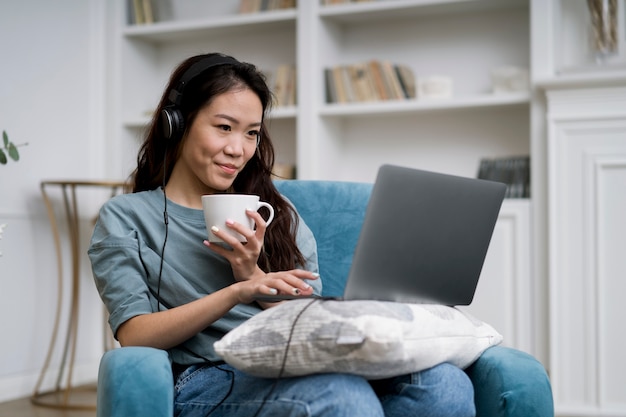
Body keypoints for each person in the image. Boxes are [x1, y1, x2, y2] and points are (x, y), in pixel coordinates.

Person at [88, 52, 476, 417]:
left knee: (446, 384)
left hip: (296, 358)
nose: (238, 149)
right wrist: (235, 293)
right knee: (341, 395)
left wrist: (252, 275)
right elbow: (135, 334)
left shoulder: (277, 213)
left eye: (251, 133)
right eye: (224, 127)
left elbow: (313, 320)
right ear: (178, 123)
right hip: (209, 374)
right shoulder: (126, 217)